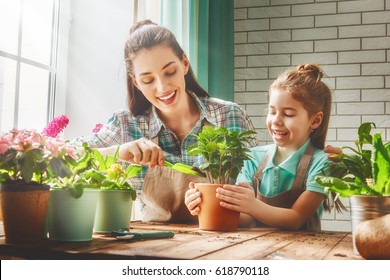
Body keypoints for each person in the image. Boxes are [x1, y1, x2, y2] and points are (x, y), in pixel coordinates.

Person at [72, 19, 259, 223]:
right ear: (136, 83)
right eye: (148, 80)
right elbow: (61, 158)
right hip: (157, 248)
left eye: (170, 72)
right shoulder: (127, 125)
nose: (162, 88)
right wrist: (118, 152)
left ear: (184, 63)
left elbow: (259, 197)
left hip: (228, 242)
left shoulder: (229, 116)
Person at [185, 64, 333, 231]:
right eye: (272, 112)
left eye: (288, 114)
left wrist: (252, 205)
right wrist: (203, 203)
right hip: (257, 251)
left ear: (315, 120)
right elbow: (245, 218)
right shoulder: (252, 157)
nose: (276, 120)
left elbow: (296, 219)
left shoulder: (322, 163)